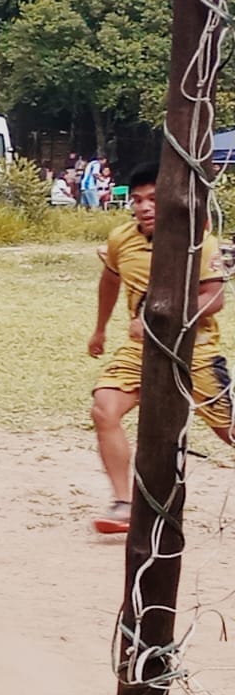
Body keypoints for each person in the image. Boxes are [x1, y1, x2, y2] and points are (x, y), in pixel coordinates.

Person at [87, 162, 231, 534]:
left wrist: (155, 321)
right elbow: (109, 279)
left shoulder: (198, 240)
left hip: (193, 350)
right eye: (137, 200)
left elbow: (213, 298)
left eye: (153, 199)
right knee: (104, 409)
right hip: (140, 351)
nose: (144, 207)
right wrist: (99, 329)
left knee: (229, 431)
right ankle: (124, 504)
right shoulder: (122, 239)